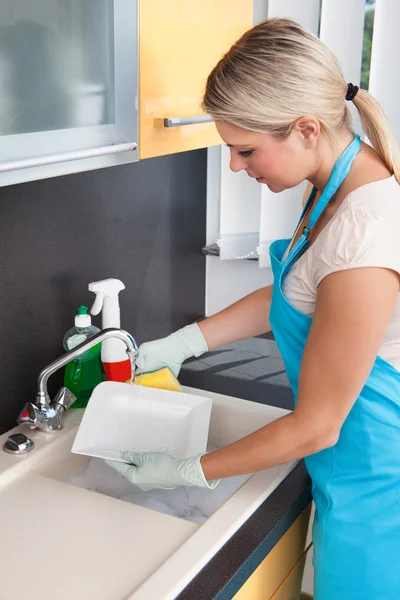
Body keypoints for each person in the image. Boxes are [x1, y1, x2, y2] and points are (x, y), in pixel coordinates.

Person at [107, 18, 400, 599]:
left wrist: (187, 469)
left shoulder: (367, 232)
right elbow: (300, 291)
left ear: (307, 129)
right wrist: (187, 341)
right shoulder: (336, 185)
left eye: (245, 150)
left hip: (378, 494)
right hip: (351, 469)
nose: (237, 167)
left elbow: (317, 425)